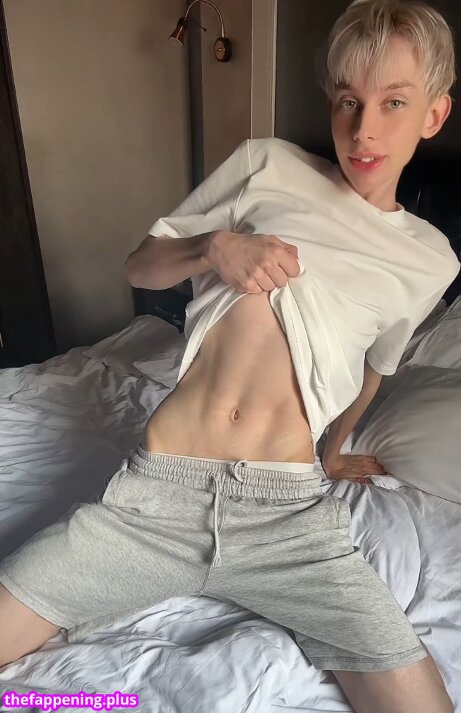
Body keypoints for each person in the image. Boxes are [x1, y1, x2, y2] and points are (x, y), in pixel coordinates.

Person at [0, 1, 459, 711]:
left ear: (434, 113)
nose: (363, 129)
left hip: (287, 516)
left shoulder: (429, 259)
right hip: (157, 495)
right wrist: (213, 248)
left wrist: (333, 452)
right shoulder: (266, 165)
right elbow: (140, 264)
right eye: (347, 100)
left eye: (392, 103)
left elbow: (376, 368)